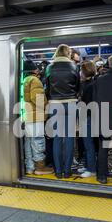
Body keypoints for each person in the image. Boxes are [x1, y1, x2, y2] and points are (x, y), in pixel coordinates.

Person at [45, 44, 80, 178]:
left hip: (55, 104)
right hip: (71, 104)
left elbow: (46, 88)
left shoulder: (49, 67)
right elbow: (78, 87)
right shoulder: (74, 66)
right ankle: (67, 171)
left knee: (57, 139)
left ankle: (58, 171)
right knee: (70, 138)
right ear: (68, 53)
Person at [93, 54, 112, 184]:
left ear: (109, 64)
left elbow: (94, 100)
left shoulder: (99, 79)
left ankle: (102, 176)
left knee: (103, 147)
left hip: (103, 115)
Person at [23, 60, 53, 175]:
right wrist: (46, 104)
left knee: (29, 142)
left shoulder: (24, 80)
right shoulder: (35, 80)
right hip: (36, 116)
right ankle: (40, 167)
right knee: (38, 141)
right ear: (34, 70)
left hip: (27, 116)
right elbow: (38, 99)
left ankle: (30, 167)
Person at [77, 60, 97, 178]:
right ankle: (88, 165)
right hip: (89, 116)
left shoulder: (89, 86)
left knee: (88, 144)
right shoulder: (92, 83)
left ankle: (91, 169)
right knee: (86, 143)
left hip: (88, 117)